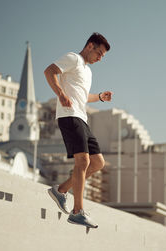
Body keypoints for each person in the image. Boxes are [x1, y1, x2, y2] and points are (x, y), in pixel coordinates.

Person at [44, 32, 112, 228]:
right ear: (90, 46)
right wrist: (60, 94)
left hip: (81, 117)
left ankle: (61, 190)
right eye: (99, 53)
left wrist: (99, 97)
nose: (100, 58)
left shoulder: (88, 71)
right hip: (69, 115)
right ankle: (77, 211)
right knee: (83, 160)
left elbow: (82, 96)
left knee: (98, 162)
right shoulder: (73, 58)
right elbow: (49, 71)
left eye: (103, 56)